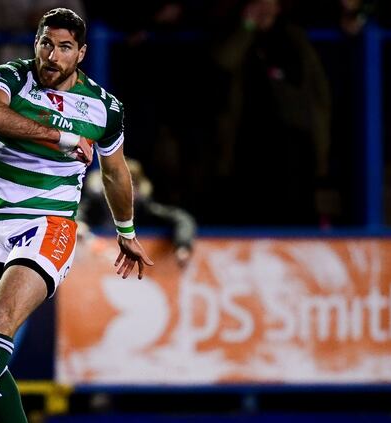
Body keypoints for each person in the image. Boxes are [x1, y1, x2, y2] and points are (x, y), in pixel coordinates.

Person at [0, 8, 153, 423]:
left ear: (80, 53)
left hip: (48, 225)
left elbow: (116, 172)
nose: (52, 55)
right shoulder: (10, 76)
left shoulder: (104, 108)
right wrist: (61, 138)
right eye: (46, 43)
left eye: (64, 47)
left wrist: (126, 230)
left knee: (2, 321)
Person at [210, 0, 333, 226]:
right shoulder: (234, 32)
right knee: (251, 215)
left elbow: (318, 95)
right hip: (248, 146)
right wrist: (247, 26)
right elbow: (224, 61)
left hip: (293, 147)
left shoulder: (295, 37)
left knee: (294, 214)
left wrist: (321, 151)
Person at [78, 158, 197, 266]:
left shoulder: (143, 206)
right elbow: (78, 213)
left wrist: (183, 246)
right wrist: (78, 224)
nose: (128, 190)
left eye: (133, 184)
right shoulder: (97, 201)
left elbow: (182, 219)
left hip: (133, 270)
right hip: (94, 267)